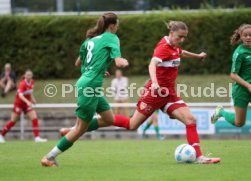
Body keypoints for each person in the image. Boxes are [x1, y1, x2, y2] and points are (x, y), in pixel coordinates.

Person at [56, 20, 221, 165]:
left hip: (169, 95)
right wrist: (155, 83)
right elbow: (152, 64)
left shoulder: (174, 46)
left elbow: (181, 52)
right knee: (132, 125)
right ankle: (79, 128)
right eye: (180, 37)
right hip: (154, 94)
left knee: (191, 120)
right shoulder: (163, 48)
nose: (182, 40)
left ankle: (199, 157)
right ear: (171, 34)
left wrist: (197, 56)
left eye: (185, 37)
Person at [41, 12, 129, 167]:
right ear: (113, 25)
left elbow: (78, 62)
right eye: (117, 26)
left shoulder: (89, 40)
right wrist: (124, 61)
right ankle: (50, 157)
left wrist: (99, 68)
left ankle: (69, 129)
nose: (117, 28)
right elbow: (119, 63)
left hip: (87, 83)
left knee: (109, 119)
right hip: (91, 86)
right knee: (81, 129)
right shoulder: (112, 38)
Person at [211, 24, 251, 157]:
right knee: (239, 123)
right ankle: (221, 111)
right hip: (241, 90)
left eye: (250, 35)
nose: (247, 37)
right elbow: (233, 75)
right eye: (245, 35)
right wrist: (248, 85)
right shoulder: (239, 53)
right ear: (240, 37)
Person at [0, 69, 48, 143]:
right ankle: (1, 135)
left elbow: (30, 92)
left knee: (34, 118)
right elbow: (20, 96)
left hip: (26, 104)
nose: (29, 76)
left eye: (30, 75)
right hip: (18, 104)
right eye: (27, 75)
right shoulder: (22, 84)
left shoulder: (32, 82)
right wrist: (28, 102)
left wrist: (33, 99)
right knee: (13, 121)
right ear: (25, 76)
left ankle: (37, 137)